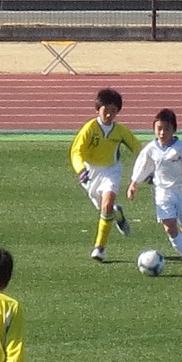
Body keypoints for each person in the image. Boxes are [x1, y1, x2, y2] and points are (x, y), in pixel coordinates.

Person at [127, 108, 182, 274]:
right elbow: (142, 165)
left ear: (173, 129)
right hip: (162, 192)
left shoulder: (180, 147)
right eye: (158, 129)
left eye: (166, 129)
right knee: (169, 226)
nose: (162, 133)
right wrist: (134, 184)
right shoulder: (151, 148)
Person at [69, 87, 141, 261]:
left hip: (111, 170)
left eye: (113, 111)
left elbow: (139, 150)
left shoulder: (120, 131)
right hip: (90, 173)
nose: (109, 115)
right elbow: (76, 151)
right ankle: (118, 214)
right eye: (105, 110)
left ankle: (100, 247)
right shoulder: (90, 128)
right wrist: (81, 170)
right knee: (105, 210)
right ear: (97, 109)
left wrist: (146, 171)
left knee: (106, 205)